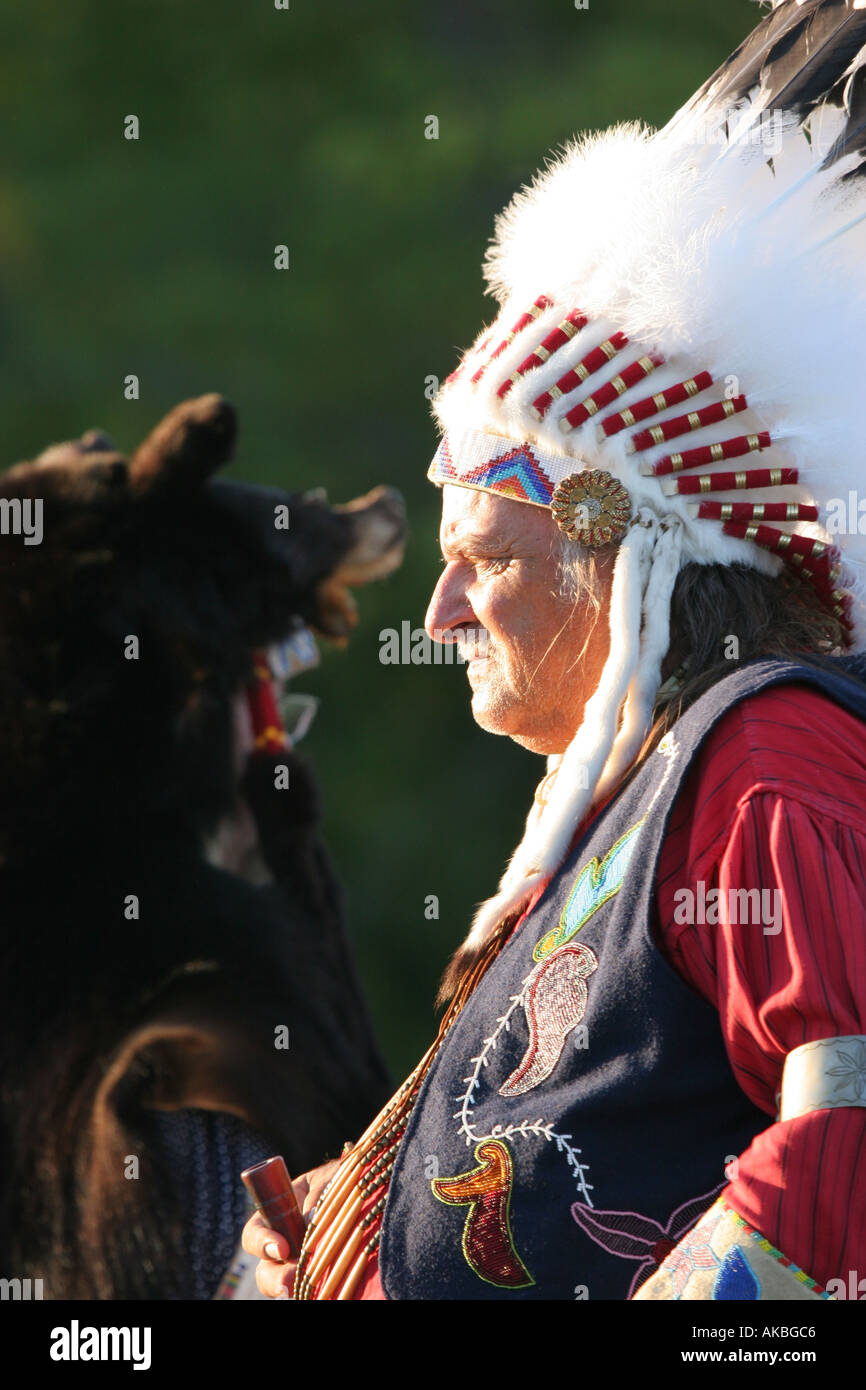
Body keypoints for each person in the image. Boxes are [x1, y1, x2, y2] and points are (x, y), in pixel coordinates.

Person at [244, 0, 866, 1300]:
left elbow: (845, 1131)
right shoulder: (638, 800)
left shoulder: (767, 754)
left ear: (613, 551)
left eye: (480, 558)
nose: (441, 617)